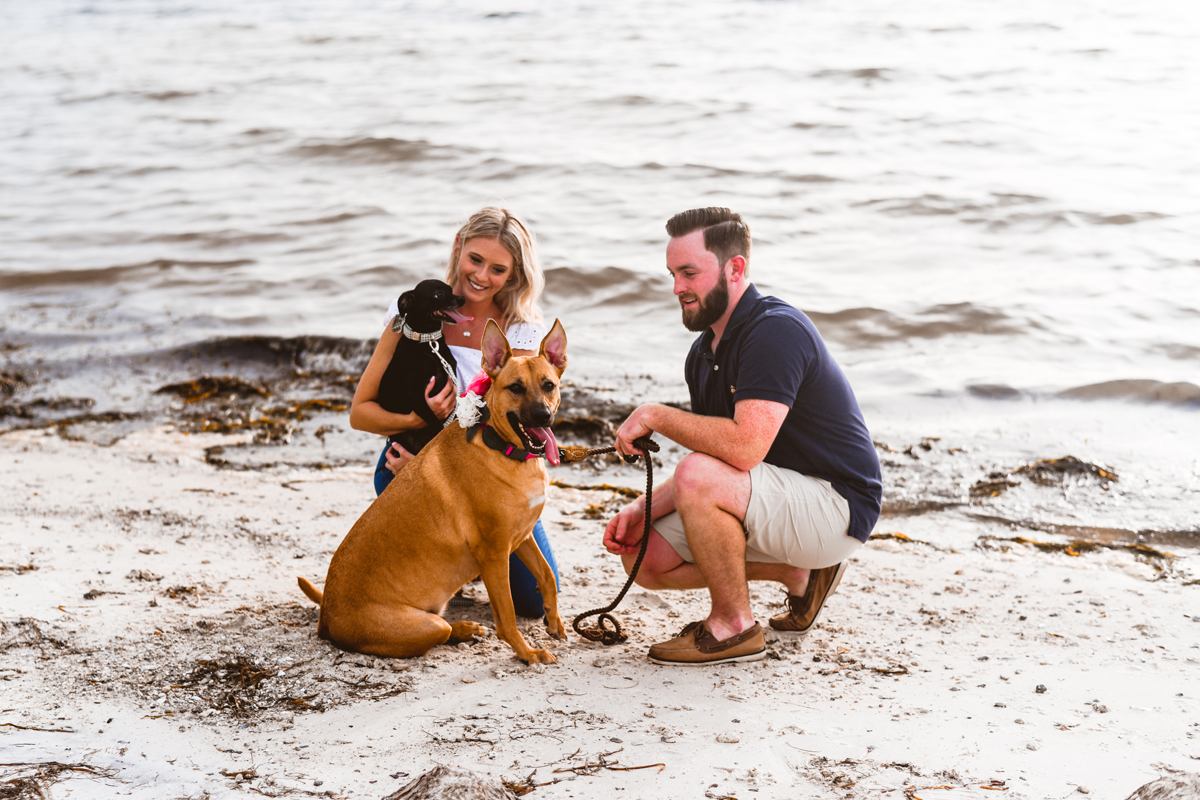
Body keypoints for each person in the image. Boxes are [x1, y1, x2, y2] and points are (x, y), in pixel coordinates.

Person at [603, 207, 882, 666]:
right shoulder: (702, 354)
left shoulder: (775, 330)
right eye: (672, 274)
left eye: (689, 272)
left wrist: (655, 414)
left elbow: (742, 448)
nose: (677, 288)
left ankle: (733, 626)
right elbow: (719, 471)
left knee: (696, 471)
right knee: (646, 559)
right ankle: (800, 573)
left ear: (736, 268)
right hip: (779, 500)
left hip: (838, 506)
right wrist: (642, 509)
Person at [349, 206, 559, 618]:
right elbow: (360, 413)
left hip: (495, 475)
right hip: (410, 467)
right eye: (475, 259)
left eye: (498, 269)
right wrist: (417, 423)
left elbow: (529, 415)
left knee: (533, 603)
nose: (481, 276)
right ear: (458, 248)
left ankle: (473, 561)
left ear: (514, 275)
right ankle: (457, 564)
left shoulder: (520, 332)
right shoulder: (413, 312)